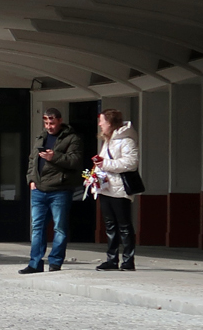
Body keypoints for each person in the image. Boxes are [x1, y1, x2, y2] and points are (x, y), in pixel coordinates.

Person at [21, 108, 83, 274]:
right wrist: (31, 180)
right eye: (46, 123)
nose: (49, 126)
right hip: (38, 189)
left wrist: (53, 157)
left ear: (60, 121)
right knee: (37, 227)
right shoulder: (41, 137)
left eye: (52, 123)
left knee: (60, 228)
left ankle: (55, 261)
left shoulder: (72, 138)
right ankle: (35, 263)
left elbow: (75, 161)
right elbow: (32, 160)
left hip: (60, 190)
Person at [93, 108, 139, 271]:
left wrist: (105, 164)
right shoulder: (108, 140)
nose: (100, 124)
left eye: (102, 121)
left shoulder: (126, 140)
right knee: (110, 225)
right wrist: (94, 178)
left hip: (120, 189)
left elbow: (131, 163)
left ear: (110, 123)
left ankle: (128, 260)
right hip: (106, 188)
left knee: (124, 225)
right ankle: (112, 259)